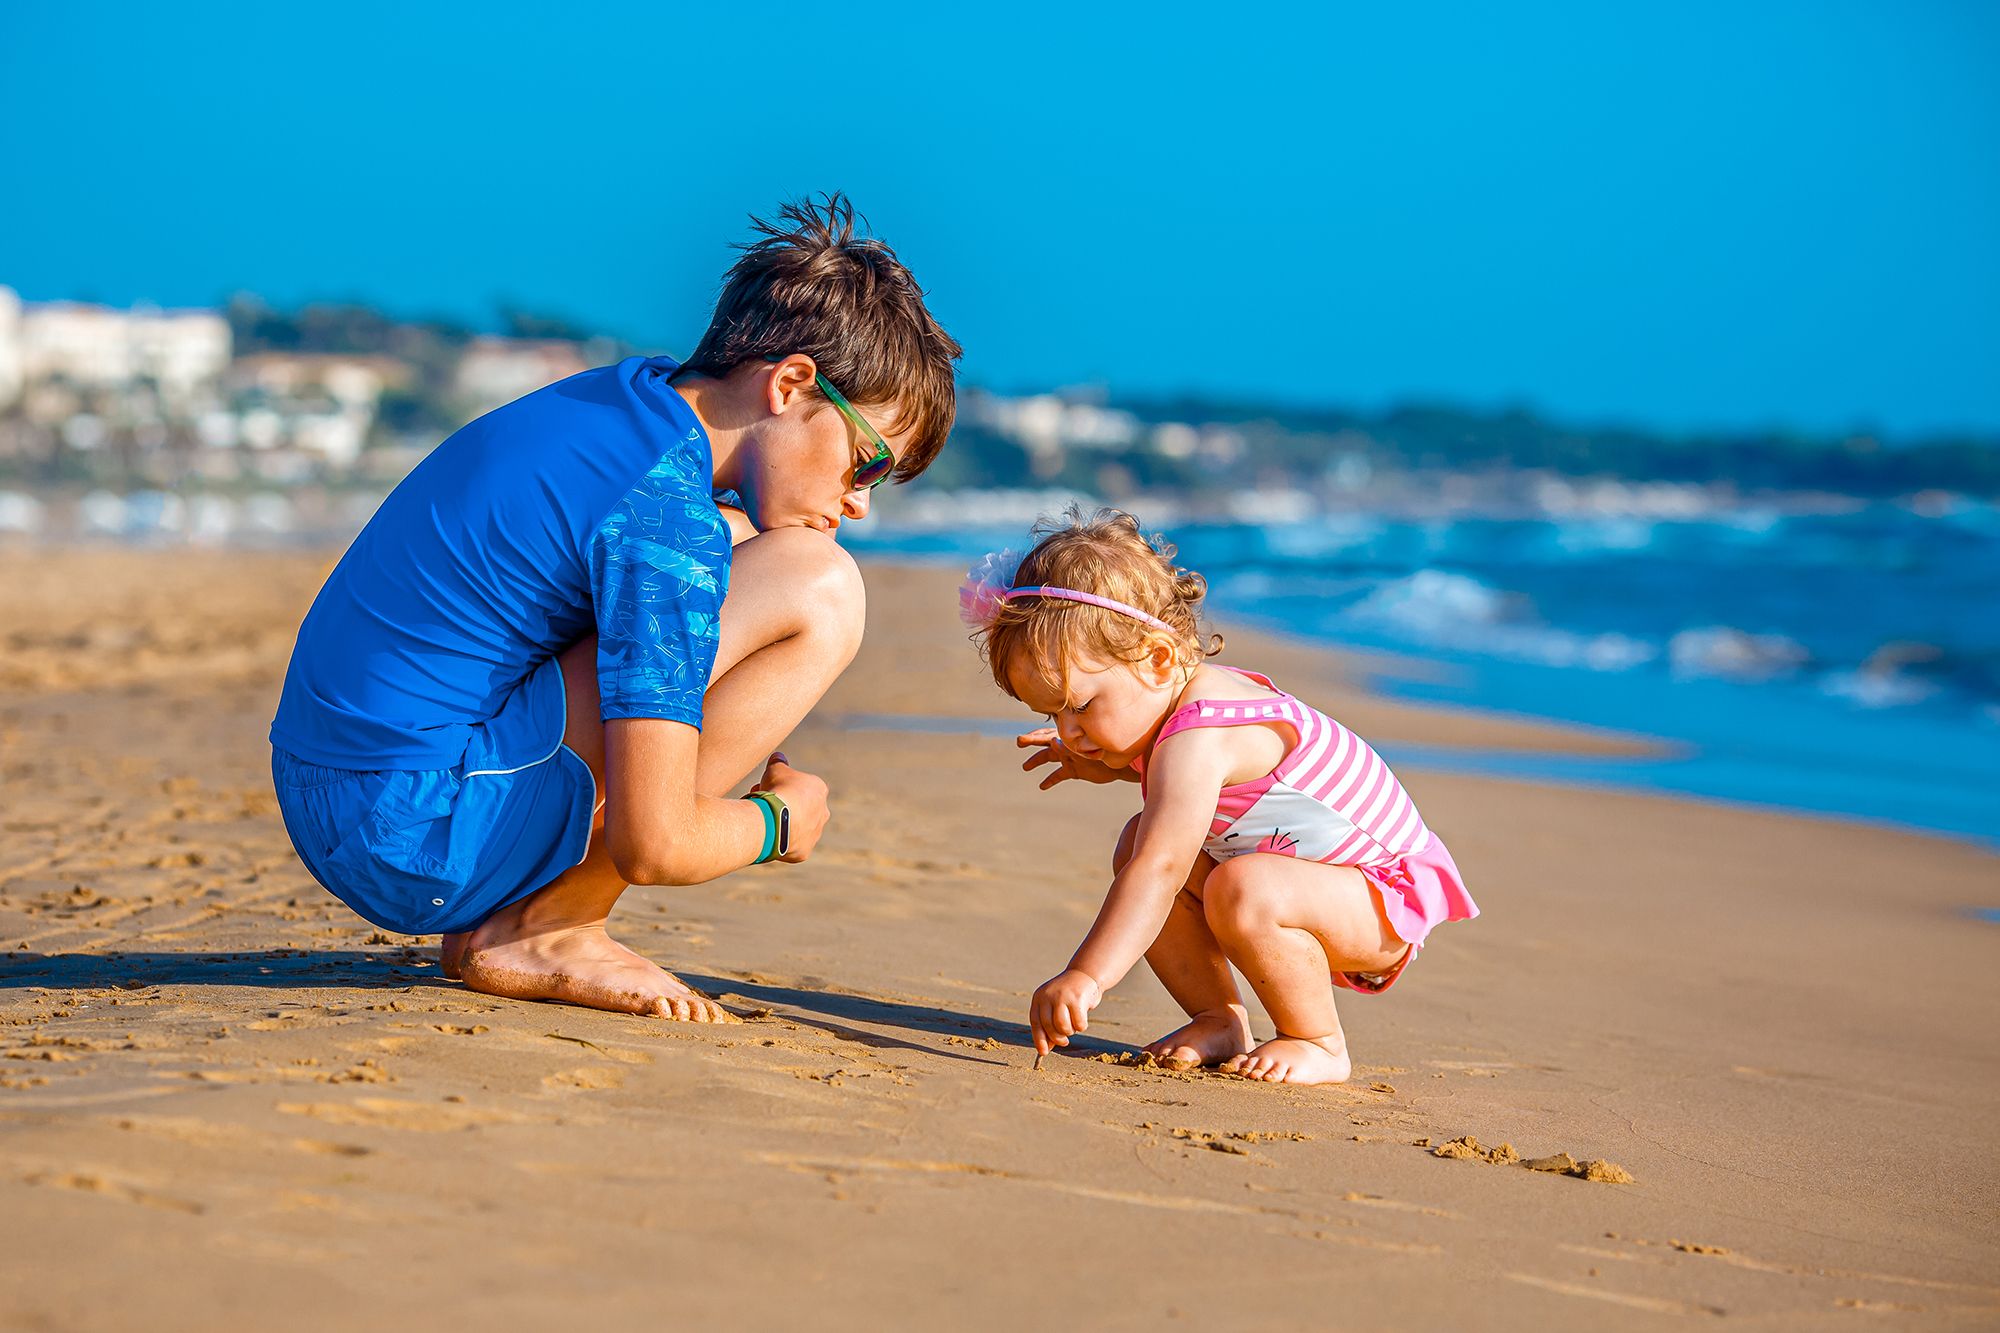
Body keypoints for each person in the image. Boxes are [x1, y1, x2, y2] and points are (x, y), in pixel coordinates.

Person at [269, 194, 960, 1020]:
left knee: (755, 545)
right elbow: (656, 841)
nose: (860, 505)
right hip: (409, 832)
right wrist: (779, 820)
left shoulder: (631, 402)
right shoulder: (661, 515)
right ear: (790, 382)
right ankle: (547, 925)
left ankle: (525, 905)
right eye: (867, 464)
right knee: (822, 587)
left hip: (334, 780)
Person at [963, 508, 1477, 1084]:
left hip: (1382, 903)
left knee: (1215, 877)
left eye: (1080, 706)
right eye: (1052, 713)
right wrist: (1108, 770)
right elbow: (1219, 797)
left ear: (1158, 658)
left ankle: (1319, 1041)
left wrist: (1087, 975)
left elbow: (1162, 867)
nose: (1069, 730)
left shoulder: (1202, 733)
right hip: (1311, 886)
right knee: (1140, 838)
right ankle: (1218, 1019)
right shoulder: (1174, 713)